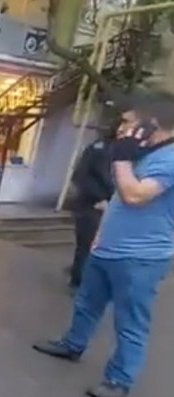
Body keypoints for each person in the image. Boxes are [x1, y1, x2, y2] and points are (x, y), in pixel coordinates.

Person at [33, 92, 174, 397]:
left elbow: (135, 195)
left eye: (128, 123)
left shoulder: (169, 159)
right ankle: (72, 344)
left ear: (152, 124)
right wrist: (101, 234)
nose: (121, 128)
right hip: (108, 247)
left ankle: (119, 380)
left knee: (130, 321)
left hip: (141, 257)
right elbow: (117, 199)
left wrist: (121, 159)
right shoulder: (141, 154)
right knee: (87, 303)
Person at [67, 125, 116, 292]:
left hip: (114, 207)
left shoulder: (129, 151)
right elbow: (81, 177)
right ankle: (78, 281)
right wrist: (101, 198)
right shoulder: (99, 149)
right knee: (87, 245)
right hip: (92, 205)